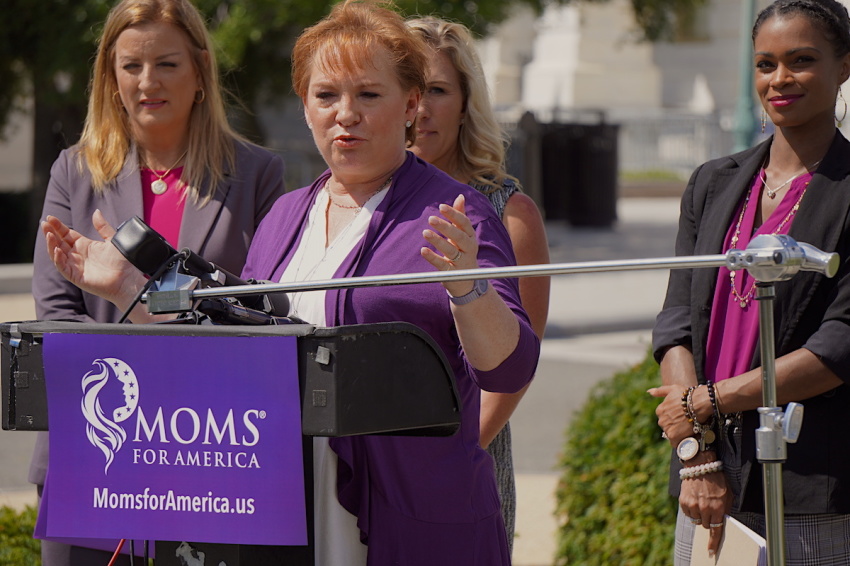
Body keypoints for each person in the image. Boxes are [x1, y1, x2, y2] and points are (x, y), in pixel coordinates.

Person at [41, 1, 540, 564]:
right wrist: (125, 287)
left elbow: (510, 367)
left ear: (411, 105)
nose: (345, 114)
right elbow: (228, 346)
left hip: (411, 521)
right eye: (326, 95)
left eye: (369, 95)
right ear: (305, 107)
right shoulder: (283, 216)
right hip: (287, 514)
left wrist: (468, 288)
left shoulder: (458, 215)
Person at [31, 0, 286, 563]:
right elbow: (54, 313)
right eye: (131, 66)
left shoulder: (258, 174)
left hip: (213, 451)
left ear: (199, 72)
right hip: (94, 455)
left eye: (167, 64)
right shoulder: (74, 171)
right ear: (110, 78)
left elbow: (265, 314)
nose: (149, 82)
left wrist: (133, 297)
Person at [649, 0, 850, 563]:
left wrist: (707, 402)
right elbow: (676, 325)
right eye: (765, 64)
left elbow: (839, 346)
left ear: (845, 67)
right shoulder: (713, 182)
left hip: (812, 484)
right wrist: (698, 453)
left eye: (802, 60)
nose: (779, 79)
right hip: (707, 477)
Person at [406, 15, 550, 552]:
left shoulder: (509, 214)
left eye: (438, 91)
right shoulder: (352, 205)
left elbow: (513, 374)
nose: (420, 108)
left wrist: (448, 460)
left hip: (464, 466)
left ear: (466, 103)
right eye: (411, 89)